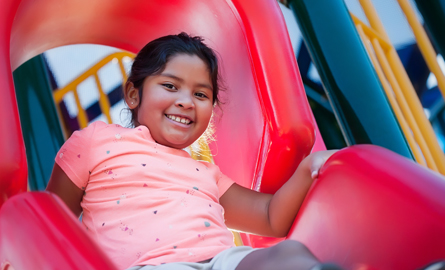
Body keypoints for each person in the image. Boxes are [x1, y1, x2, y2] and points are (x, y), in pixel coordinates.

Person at [46, 32, 341, 270]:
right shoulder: (97, 142)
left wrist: (308, 169)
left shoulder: (205, 173)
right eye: (170, 86)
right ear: (134, 94)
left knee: (286, 254)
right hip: (151, 265)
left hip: (219, 261)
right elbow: (51, 220)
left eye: (201, 94)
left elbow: (269, 217)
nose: (186, 101)